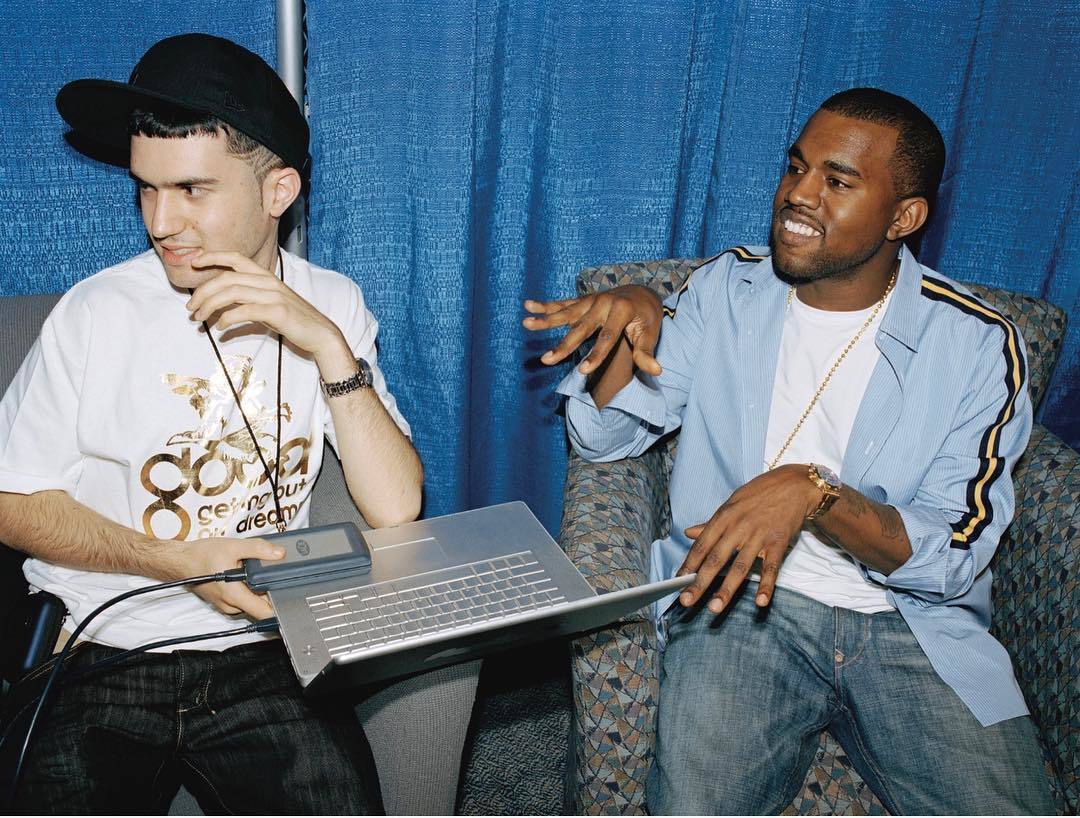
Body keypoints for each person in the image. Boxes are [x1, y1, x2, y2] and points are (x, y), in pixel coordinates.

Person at [525, 88, 1056, 814]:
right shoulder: (728, 292)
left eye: (838, 181)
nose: (799, 195)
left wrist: (815, 494)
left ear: (903, 217)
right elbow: (605, 438)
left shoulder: (977, 345)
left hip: (912, 626)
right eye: (797, 167)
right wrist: (628, 326)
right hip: (739, 602)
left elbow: (953, 555)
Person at [0, 33, 477, 815]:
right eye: (146, 189)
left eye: (192, 189)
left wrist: (326, 345)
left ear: (278, 191)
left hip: (267, 650)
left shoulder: (334, 302)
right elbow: (13, 503)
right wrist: (178, 561)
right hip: (105, 645)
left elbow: (397, 505)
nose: (161, 221)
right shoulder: (95, 313)